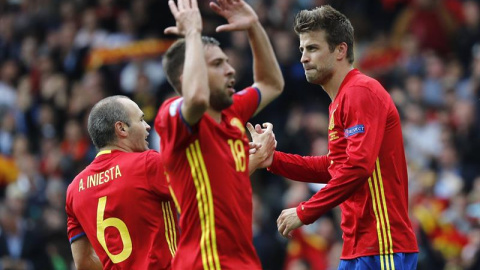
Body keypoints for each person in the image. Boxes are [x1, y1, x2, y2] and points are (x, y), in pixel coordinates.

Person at [251, 5, 419, 270]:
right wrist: (273, 159)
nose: (304, 58)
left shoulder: (360, 91)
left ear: (341, 50)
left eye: (313, 48)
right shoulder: (340, 101)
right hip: (357, 247)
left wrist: (306, 211)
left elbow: (358, 167)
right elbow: (335, 167)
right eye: (302, 50)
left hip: (383, 245)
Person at [155, 0, 284, 268]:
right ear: (186, 75)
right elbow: (197, 98)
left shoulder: (231, 113)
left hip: (244, 262)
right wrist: (192, 32)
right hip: (206, 262)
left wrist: (253, 27)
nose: (230, 69)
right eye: (216, 64)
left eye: (227, 61)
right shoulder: (173, 117)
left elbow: (272, 83)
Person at [65, 95, 178, 270]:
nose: (148, 126)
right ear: (122, 128)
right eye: (141, 120)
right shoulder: (148, 163)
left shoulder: (74, 189)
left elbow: (83, 263)